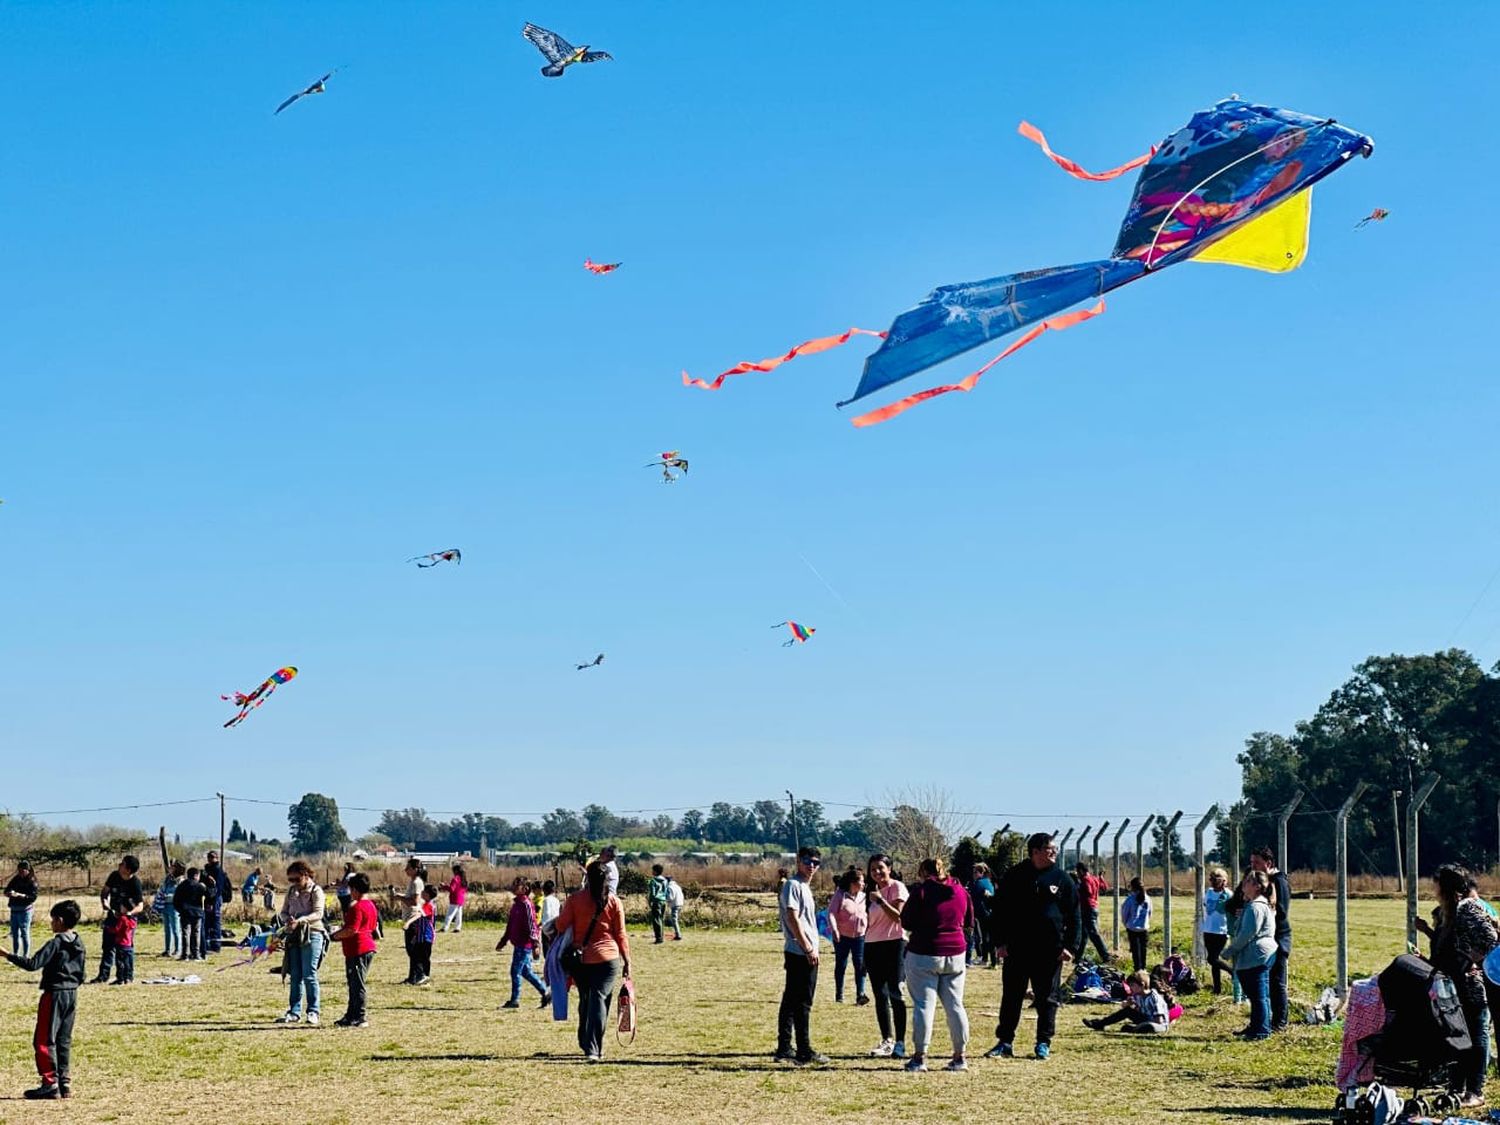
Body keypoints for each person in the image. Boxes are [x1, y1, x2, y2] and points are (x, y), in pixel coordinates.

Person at [986, 833, 1080, 1062]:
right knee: (1012, 996)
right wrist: (999, 942)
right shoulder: (1016, 875)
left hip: (1050, 950)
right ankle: (1005, 1041)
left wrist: (1070, 946)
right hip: (1017, 949)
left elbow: (1075, 916)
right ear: (1035, 851)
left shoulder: (1062, 879)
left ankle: (1043, 1043)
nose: (1054, 853)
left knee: (1047, 998)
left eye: (1055, 849)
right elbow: (999, 911)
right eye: (1050, 849)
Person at [1416, 864, 1496, 1109]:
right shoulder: (1447, 913)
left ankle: (1475, 1090)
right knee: (1458, 1037)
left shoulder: (1468, 909)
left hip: (1472, 987)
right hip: (1453, 988)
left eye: (1437, 884)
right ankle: (1456, 1088)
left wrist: (1476, 959)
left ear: (1447, 886)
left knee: (1477, 1036)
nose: (1434, 889)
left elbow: (1492, 939)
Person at [3, 898, 84, 1100]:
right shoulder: (79, 941)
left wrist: (7, 955)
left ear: (59, 920)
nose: (51, 923)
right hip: (72, 994)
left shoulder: (55, 943)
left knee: (44, 1039)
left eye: (52, 919)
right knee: (63, 1039)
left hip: (54, 994)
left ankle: (49, 1083)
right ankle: (64, 1082)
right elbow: (82, 973)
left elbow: (32, 964)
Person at [899, 857, 971, 1072]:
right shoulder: (960, 891)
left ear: (923, 872)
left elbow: (907, 921)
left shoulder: (922, 892)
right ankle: (960, 1056)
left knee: (923, 1005)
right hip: (956, 952)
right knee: (955, 1005)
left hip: (924, 952)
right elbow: (968, 920)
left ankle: (920, 1057)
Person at [555, 859, 631, 1061]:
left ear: (587, 877)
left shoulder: (575, 899)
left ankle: (587, 1041)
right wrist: (627, 962)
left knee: (587, 999)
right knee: (600, 1000)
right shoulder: (614, 902)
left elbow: (561, 926)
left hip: (582, 959)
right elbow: (621, 934)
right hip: (609, 959)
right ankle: (594, 1046)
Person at [774, 846, 827, 1065]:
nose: (812, 866)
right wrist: (807, 948)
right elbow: (792, 917)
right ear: (798, 861)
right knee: (802, 1002)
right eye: (808, 861)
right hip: (800, 952)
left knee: (791, 1000)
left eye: (816, 863)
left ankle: (784, 1047)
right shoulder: (793, 886)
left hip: (803, 950)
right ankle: (803, 1050)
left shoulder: (804, 886)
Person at [864, 853, 910, 1059]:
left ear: (889, 868)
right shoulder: (870, 891)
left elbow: (898, 917)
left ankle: (900, 1042)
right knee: (880, 995)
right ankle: (887, 1040)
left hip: (895, 944)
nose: (877, 872)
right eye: (873, 869)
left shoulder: (897, 887)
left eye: (880, 868)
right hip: (872, 945)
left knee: (896, 993)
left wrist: (882, 901)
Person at [1224, 870, 1276, 1041]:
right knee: (1257, 995)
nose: (1243, 885)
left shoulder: (1255, 907)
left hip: (1257, 954)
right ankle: (1256, 1027)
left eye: (1247, 882)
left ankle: (1261, 1030)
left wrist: (1230, 951)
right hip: (1261, 953)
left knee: (1258, 995)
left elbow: (1247, 933)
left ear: (1256, 886)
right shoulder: (1256, 905)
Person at [275, 860, 327, 1026]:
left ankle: (313, 1010)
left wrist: (301, 920)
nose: (294, 883)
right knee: (295, 974)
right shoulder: (291, 891)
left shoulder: (316, 891)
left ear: (305, 875)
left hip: (313, 933)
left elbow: (318, 913)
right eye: (290, 880)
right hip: (294, 935)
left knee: (309, 974)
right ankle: (294, 1011)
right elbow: (283, 912)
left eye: (296, 879)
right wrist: (287, 921)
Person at [1250, 846, 1292, 1032]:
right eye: (1251, 863)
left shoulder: (1279, 882)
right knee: (1262, 982)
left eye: (1257, 863)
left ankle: (1280, 1022)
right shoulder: (1259, 880)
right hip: (1264, 939)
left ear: (1268, 863)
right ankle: (1262, 1022)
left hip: (1278, 938)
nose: (1253, 866)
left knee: (1276, 983)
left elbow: (1281, 911)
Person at [330, 872, 377, 1027]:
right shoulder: (370, 905)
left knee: (357, 985)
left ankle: (360, 1016)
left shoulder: (357, 907)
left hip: (359, 949)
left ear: (355, 889)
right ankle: (351, 1015)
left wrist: (334, 936)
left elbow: (352, 930)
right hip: (364, 948)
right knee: (353, 984)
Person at [497, 877, 549, 1009]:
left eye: (517, 885)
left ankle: (514, 1000)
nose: (514, 886)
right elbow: (511, 925)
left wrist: (535, 944)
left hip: (525, 944)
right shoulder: (516, 905)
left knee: (515, 971)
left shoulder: (527, 905)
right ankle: (546, 993)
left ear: (525, 889)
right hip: (518, 943)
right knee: (526, 972)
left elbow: (532, 925)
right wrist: (504, 940)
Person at [93, 854, 144, 985]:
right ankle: (103, 976)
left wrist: (129, 913)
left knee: (125, 949)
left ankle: (126, 976)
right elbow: (105, 891)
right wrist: (104, 902)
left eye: (122, 864)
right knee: (107, 946)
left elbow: (140, 906)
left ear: (128, 869)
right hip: (112, 915)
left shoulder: (135, 883)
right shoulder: (114, 876)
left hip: (127, 921)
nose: (119, 865)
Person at [1084, 969, 1172, 1034]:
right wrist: (1128, 1005)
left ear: (1142, 985)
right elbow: (1126, 1009)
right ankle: (1100, 1023)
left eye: (1133, 986)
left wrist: (1143, 1023)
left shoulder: (1154, 998)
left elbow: (1159, 1020)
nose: (1131, 988)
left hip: (1158, 1024)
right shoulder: (1138, 996)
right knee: (1128, 1011)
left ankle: (1136, 1029)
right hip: (1146, 1020)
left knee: (1149, 1027)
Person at [828, 866, 868, 1005]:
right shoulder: (840, 895)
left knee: (860, 965)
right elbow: (831, 913)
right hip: (842, 936)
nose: (863, 884)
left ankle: (861, 994)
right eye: (861, 881)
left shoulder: (864, 896)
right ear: (853, 882)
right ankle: (839, 994)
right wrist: (834, 930)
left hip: (860, 936)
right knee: (841, 964)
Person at [390, 859, 428, 986]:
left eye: (408, 867)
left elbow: (414, 902)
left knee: (412, 950)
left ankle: (420, 974)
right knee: (410, 949)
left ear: (415, 869)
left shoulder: (417, 882)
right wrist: (400, 896)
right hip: (409, 917)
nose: (406, 870)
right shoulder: (412, 882)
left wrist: (400, 898)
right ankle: (412, 977)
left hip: (414, 918)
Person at [1073, 861, 1111, 964]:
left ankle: (1106, 955)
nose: (1077, 874)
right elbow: (1104, 887)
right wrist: (1101, 878)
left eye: (1077, 871)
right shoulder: (1094, 878)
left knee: (1093, 934)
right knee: (1084, 934)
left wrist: (1078, 889)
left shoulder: (1085, 880)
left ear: (1081, 871)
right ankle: (1077, 957)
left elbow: (1088, 891)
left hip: (1087, 908)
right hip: (1093, 907)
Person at [1201, 867, 1232, 995]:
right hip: (1208, 930)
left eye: (1217, 880)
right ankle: (1217, 988)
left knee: (1212, 958)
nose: (1214, 882)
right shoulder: (1208, 893)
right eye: (1212, 879)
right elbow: (1205, 905)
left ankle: (1232, 971)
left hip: (1221, 931)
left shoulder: (1228, 894)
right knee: (1214, 961)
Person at [172, 867, 208, 961]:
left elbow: (175, 900)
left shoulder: (182, 885)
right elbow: (210, 895)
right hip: (197, 913)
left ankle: (185, 955)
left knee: (185, 933)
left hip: (185, 912)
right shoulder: (200, 886)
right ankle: (196, 954)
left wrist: (180, 910)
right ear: (196, 875)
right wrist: (212, 885)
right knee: (196, 933)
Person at [5, 860, 39, 958]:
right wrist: (9, 893)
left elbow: (33, 897)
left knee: (24, 933)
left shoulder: (32, 881)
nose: (20, 873)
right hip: (14, 910)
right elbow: (7, 889)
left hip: (25, 911)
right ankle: (15, 955)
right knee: (14, 933)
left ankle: (25, 956)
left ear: (28, 870)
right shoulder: (16, 879)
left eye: (22, 871)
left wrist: (20, 895)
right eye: (19, 871)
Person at [201, 851, 232, 954]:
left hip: (215, 898)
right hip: (209, 898)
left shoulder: (218, 871)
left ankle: (216, 946)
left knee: (215, 921)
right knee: (208, 922)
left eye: (212, 857)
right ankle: (208, 945)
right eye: (209, 857)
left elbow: (218, 888)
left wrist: (211, 898)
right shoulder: (207, 870)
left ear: (217, 858)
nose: (210, 859)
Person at [1121, 877, 1152, 972]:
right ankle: (1144, 969)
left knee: (1136, 952)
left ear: (1133, 888)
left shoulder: (1130, 900)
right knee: (1143, 951)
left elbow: (1124, 914)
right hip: (1144, 928)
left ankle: (1138, 971)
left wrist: (1126, 924)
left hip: (1133, 929)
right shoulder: (1148, 899)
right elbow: (1150, 913)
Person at [968, 862, 996, 967]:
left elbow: (971, 899)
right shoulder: (989, 882)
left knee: (984, 937)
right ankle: (991, 959)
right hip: (990, 912)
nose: (973, 874)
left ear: (981, 873)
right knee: (988, 937)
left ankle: (985, 959)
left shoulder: (978, 884)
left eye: (975, 872)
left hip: (982, 913)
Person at [156, 861, 185, 959]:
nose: (170, 868)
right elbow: (162, 888)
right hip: (165, 905)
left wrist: (170, 896)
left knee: (176, 929)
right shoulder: (168, 878)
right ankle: (167, 950)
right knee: (167, 929)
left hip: (174, 906)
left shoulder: (181, 880)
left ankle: (177, 949)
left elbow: (180, 894)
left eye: (173, 867)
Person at [647, 864, 671, 944]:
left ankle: (658, 938)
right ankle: (661, 936)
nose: (652, 872)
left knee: (656, 920)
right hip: (663, 901)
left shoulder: (653, 881)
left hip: (656, 901)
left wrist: (650, 901)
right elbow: (666, 891)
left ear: (655, 871)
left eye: (653, 870)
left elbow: (652, 894)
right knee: (661, 919)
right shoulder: (665, 880)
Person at [539, 880, 562, 958]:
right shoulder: (557, 900)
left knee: (547, 952)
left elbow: (547, 914)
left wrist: (545, 929)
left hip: (547, 928)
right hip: (556, 927)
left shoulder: (546, 900)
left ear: (544, 890)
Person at [443, 864, 468, 933]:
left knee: (450, 914)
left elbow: (451, 889)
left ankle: (445, 927)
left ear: (456, 871)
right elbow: (465, 889)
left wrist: (444, 886)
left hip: (455, 899)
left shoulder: (455, 879)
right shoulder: (463, 879)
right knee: (459, 915)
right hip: (461, 898)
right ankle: (458, 927)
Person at [666, 874, 685, 941]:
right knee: (675, 920)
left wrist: (665, 898)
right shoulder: (677, 886)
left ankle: (678, 935)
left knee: (674, 920)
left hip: (675, 905)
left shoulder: (669, 887)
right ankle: (677, 933)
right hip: (680, 903)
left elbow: (671, 897)